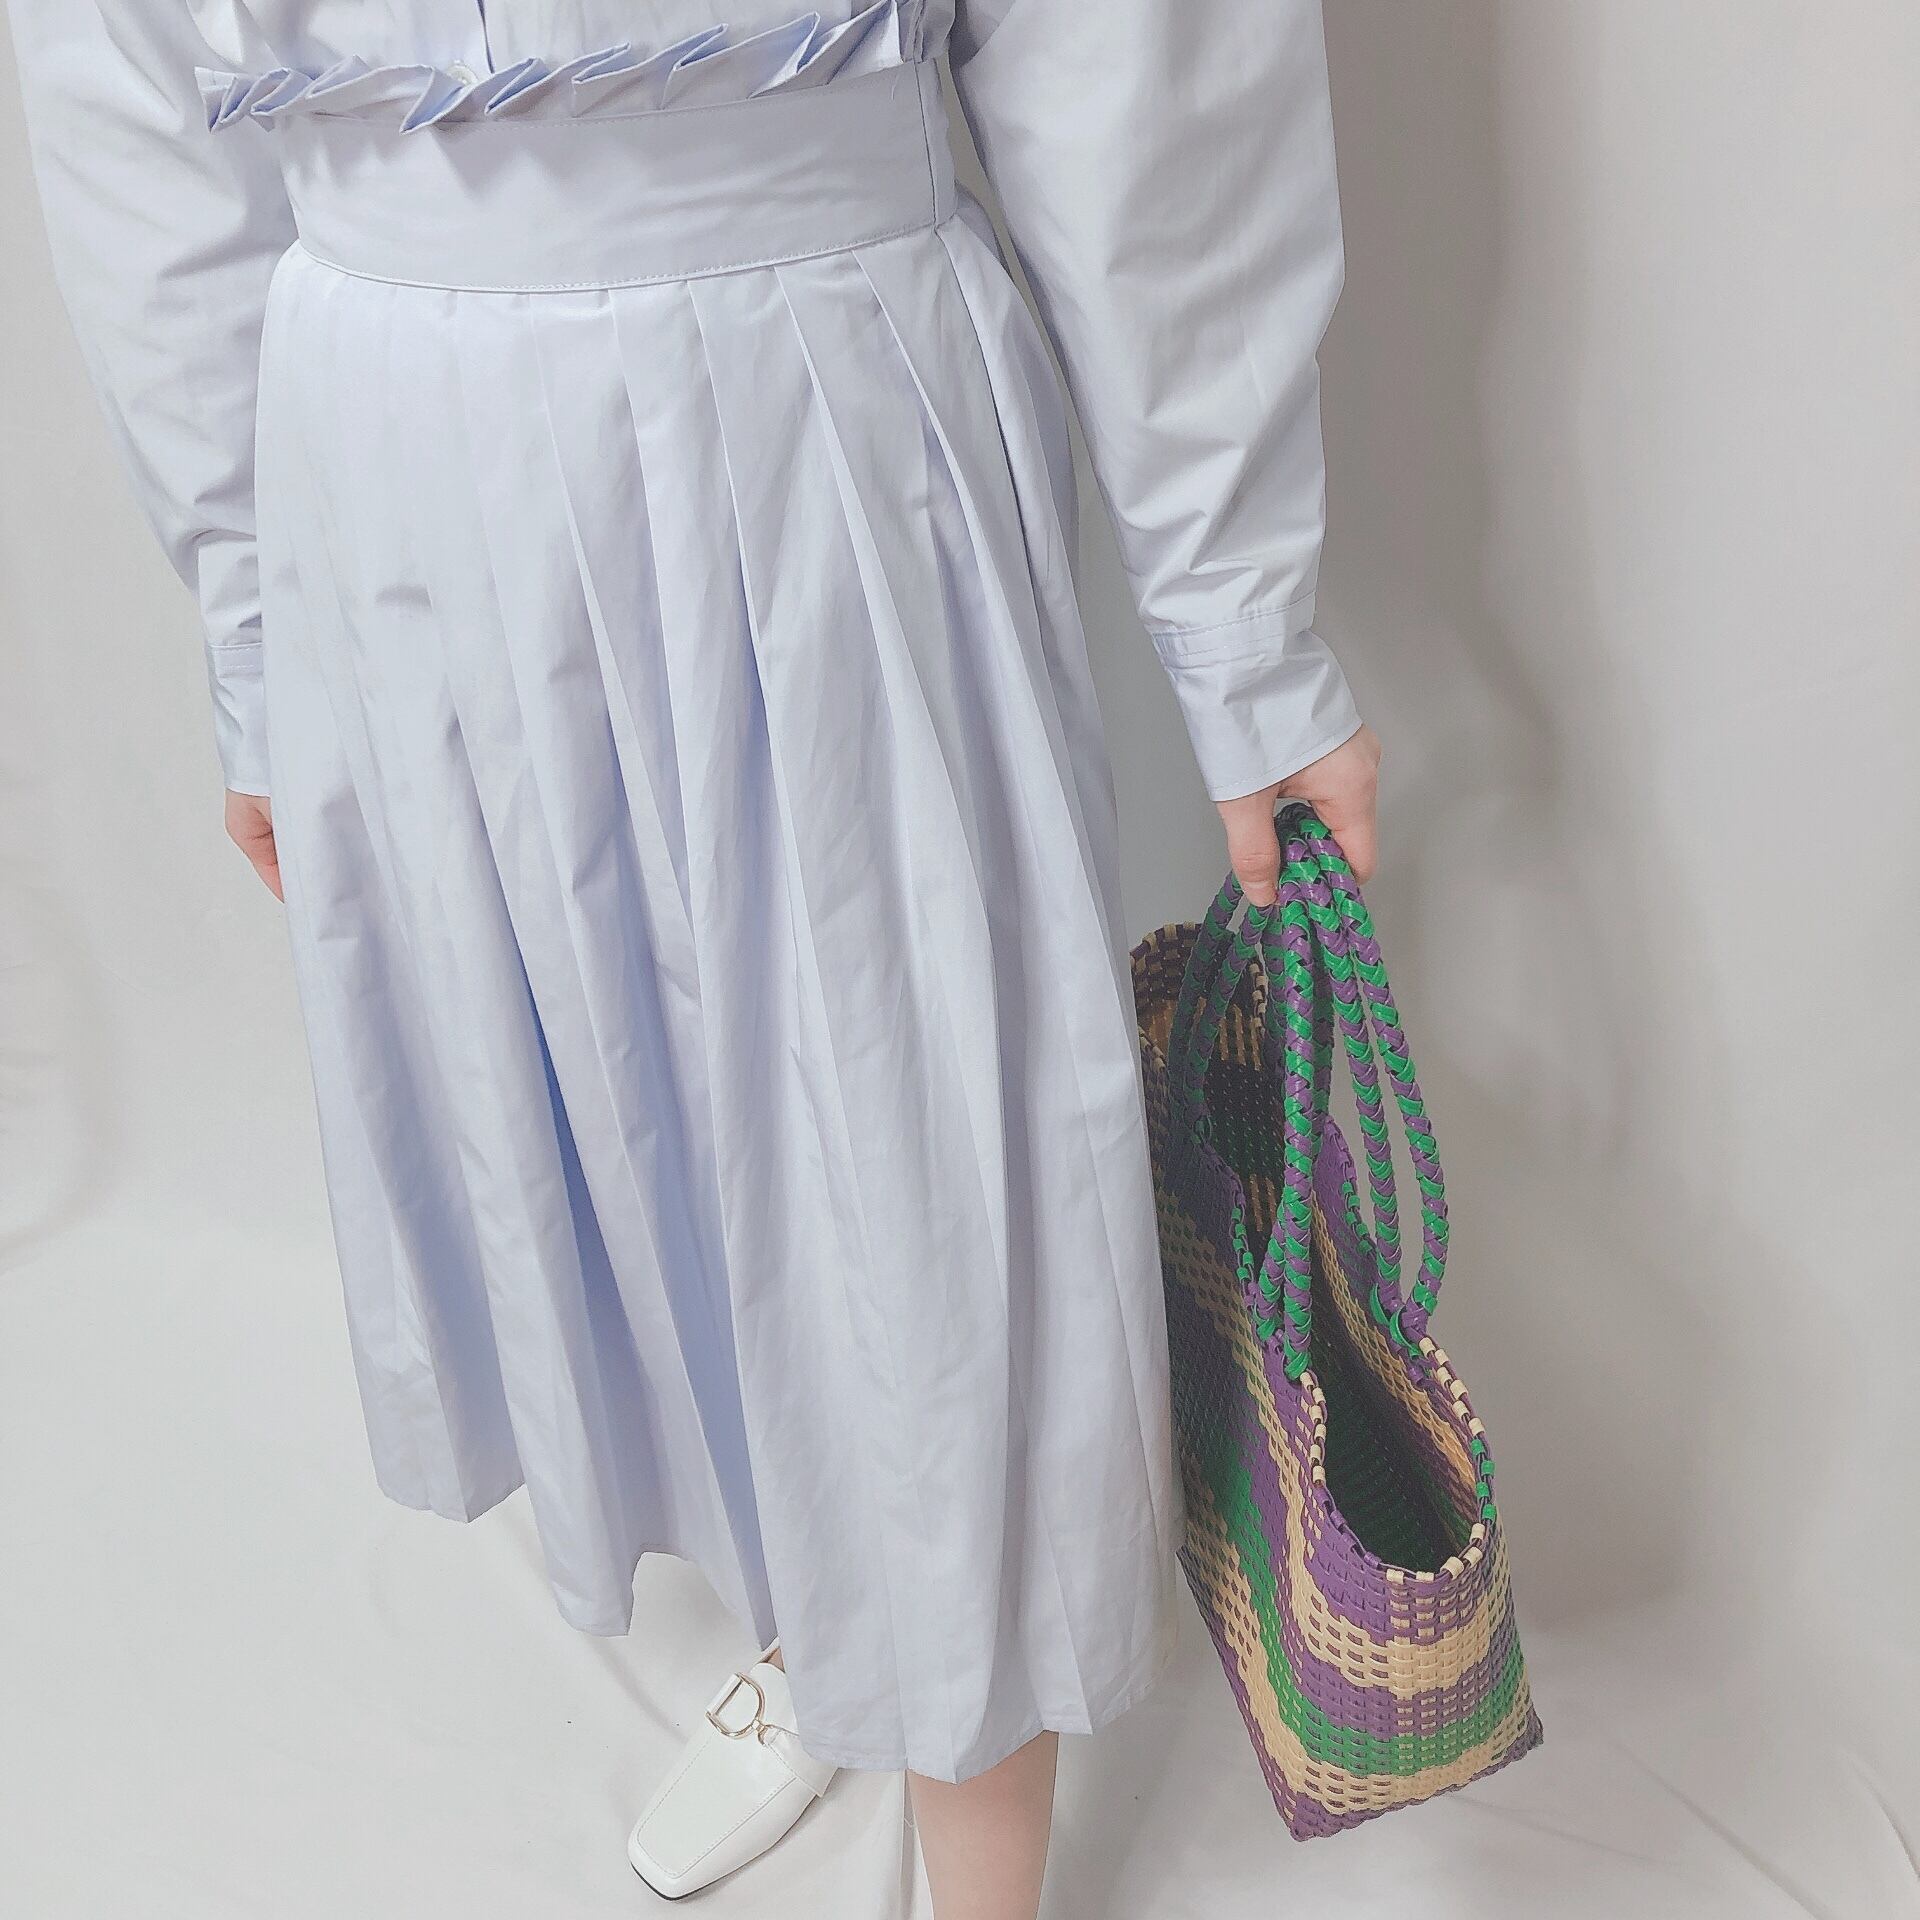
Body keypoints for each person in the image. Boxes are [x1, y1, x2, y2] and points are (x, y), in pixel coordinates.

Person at [6, 0, 1380, 1911]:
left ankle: (980, 1854)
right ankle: (836, 1616)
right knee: (629, 1125)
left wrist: (1244, 635)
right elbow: (124, 93)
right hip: (388, 452)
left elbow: (1137, 53)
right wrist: (250, 620)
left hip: (815, 381)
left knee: (922, 1150)